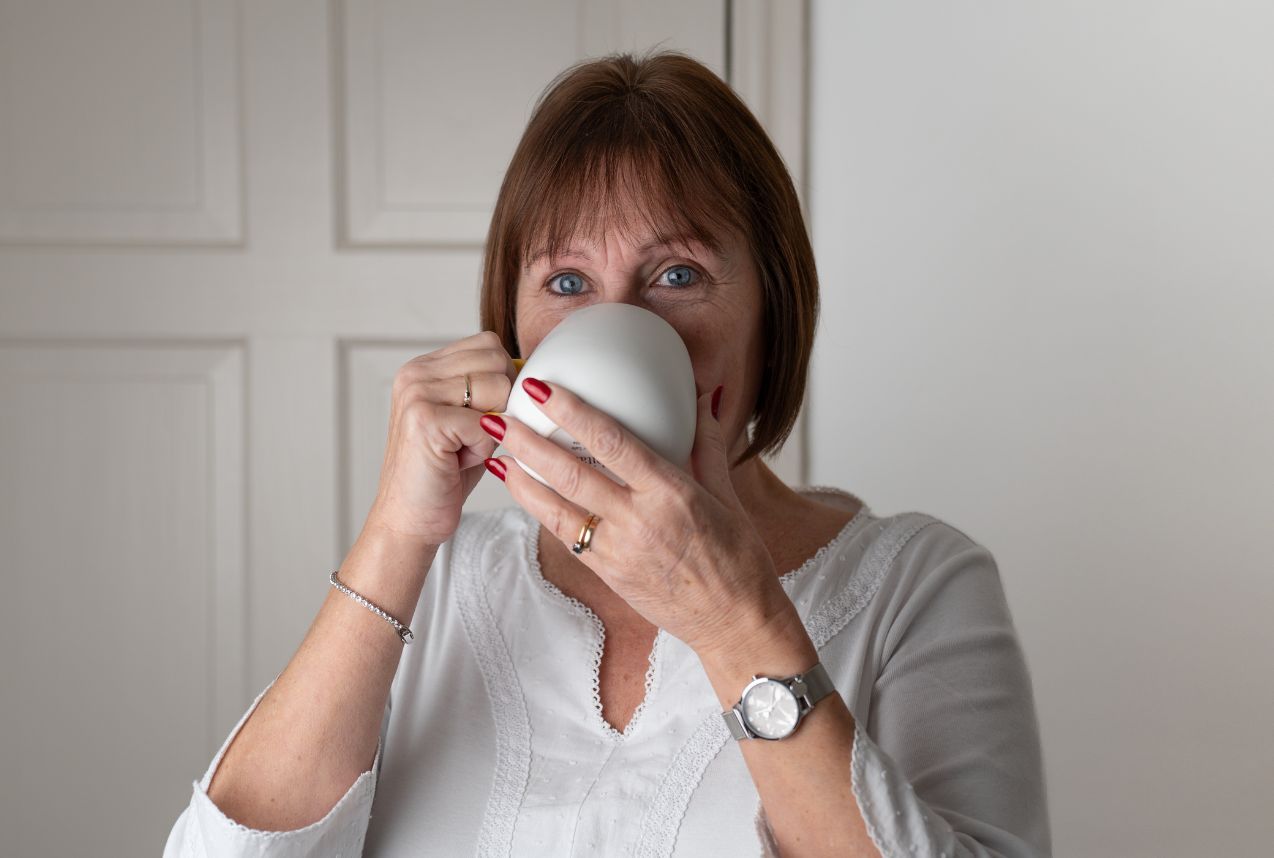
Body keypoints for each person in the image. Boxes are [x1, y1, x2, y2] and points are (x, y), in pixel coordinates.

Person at [163, 51, 1051, 857]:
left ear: (771, 314)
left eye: (677, 275)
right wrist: (397, 534)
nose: (614, 325)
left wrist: (732, 619)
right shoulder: (441, 583)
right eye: (567, 282)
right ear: (514, 333)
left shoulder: (917, 587)